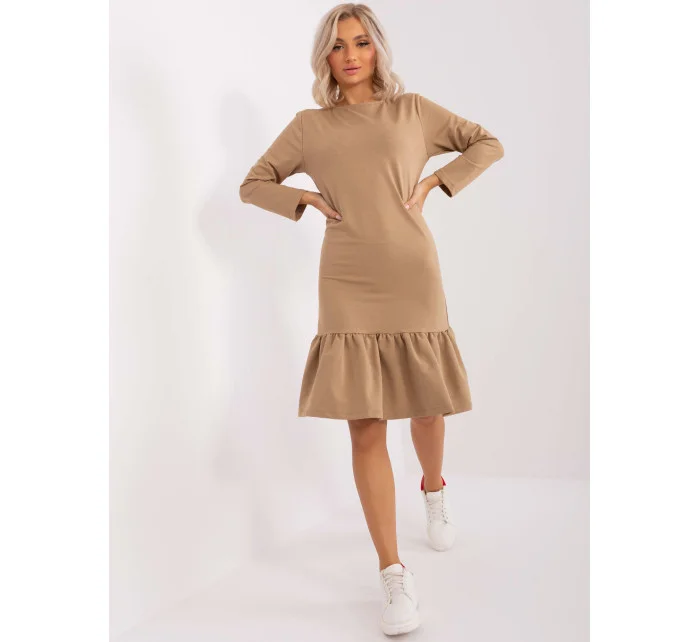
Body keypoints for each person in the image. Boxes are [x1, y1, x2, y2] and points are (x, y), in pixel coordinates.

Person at [239, 3, 504, 635]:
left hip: (412, 271)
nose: (351, 55)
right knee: (365, 424)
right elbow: (253, 183)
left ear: (377, 48)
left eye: (360, 42)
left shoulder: (413, 112)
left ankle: (433, 488)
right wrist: (303, 197)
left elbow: (487, 143)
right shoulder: (309, 127)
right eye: (338, 46)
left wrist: (435, 183)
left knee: (428, 406)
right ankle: (393, 572)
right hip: (347, 280)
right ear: (325, 58)